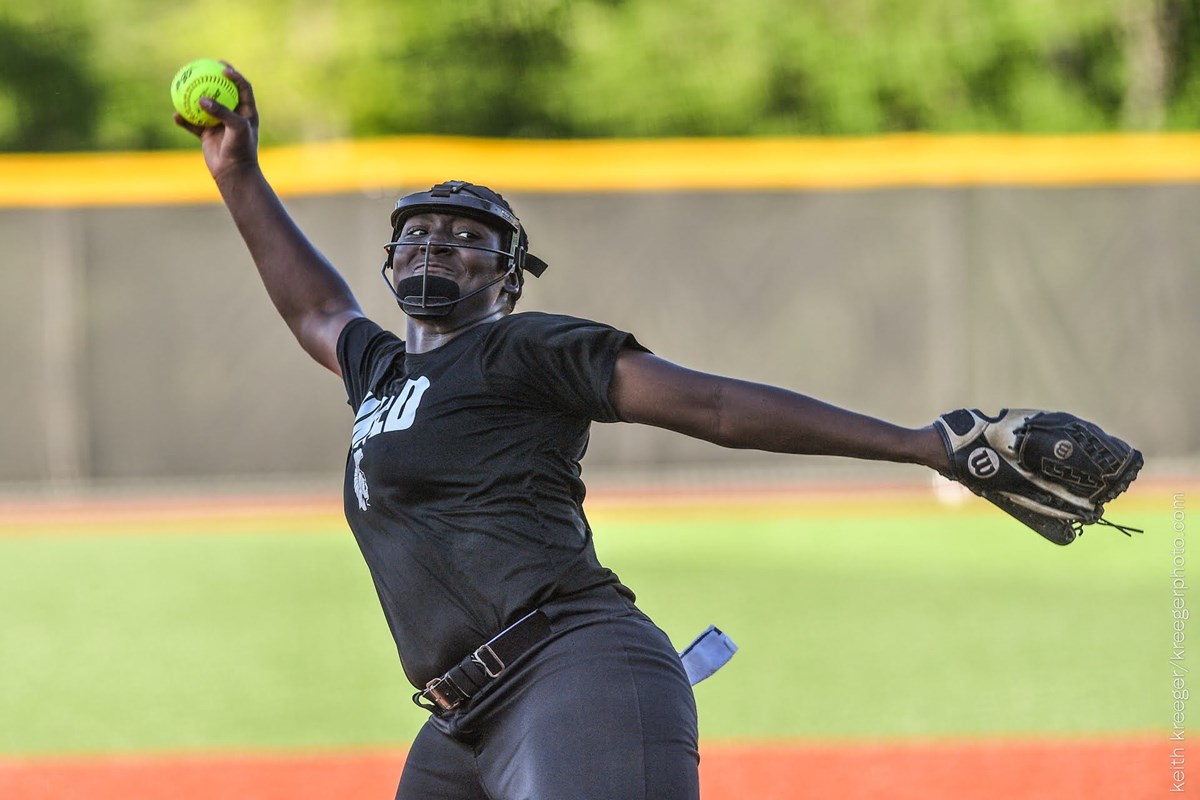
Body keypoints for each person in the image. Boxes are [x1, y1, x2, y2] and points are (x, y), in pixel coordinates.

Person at [176, 63, 952, 800]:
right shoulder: (380, 373)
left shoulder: (522, 346)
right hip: (457, 718)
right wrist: (237, 172)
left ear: (508, 278)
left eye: (464, 234)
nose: (435, 240)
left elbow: (713, 406)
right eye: (417, 230)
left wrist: (918, 443)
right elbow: (316, 309)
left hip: (571, 669)